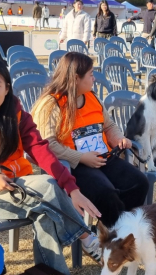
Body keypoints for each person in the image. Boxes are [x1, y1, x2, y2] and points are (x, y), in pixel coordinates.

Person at [0, 58, 104, 271]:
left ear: (6, 89)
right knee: (48, 187)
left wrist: (72, 188)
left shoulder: (17, 115)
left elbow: (41, 151)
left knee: (45, 215)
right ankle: (86, 237)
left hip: (13, 186)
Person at [32, 52, 149, 228]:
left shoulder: (92, 97)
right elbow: (48, 145)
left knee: (140, 183)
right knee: (106, 193)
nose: (94, 78)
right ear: (75, 78)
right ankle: (115, 232)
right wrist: (81, 157)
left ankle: (119, 227)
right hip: (74, 166)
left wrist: (118, 138)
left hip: (103, 158)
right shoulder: (51, 104)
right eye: (91, 74)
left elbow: (108, 126)